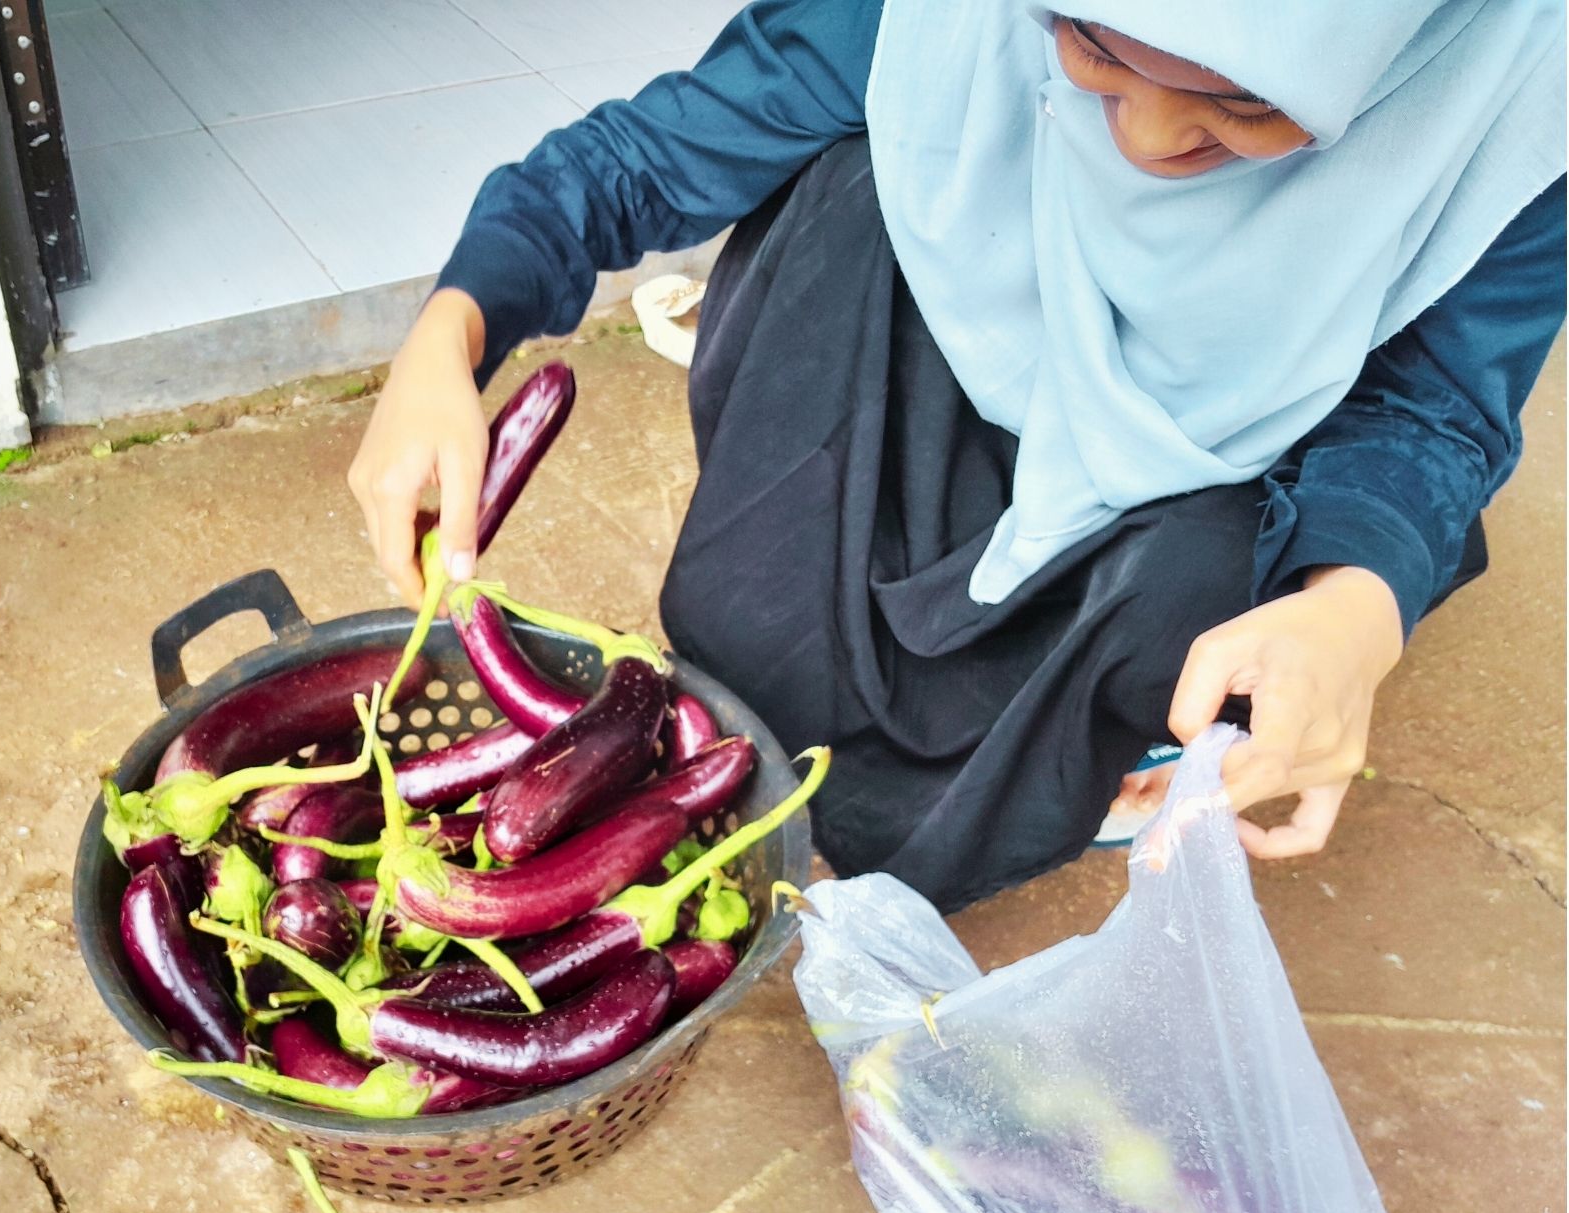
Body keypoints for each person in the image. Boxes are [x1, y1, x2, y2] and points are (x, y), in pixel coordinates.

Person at [348, 1, 1566, 912]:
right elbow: (649, 155)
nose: (1142, 140)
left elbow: (1437, 409)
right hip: (948, 333)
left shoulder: (1505, 98)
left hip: (1205, 460)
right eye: (1087, 46)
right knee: (844, 182)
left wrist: (1354, 612)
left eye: (1242, 106)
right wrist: (451, 331)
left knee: (1203, 604)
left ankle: (1115, 704)